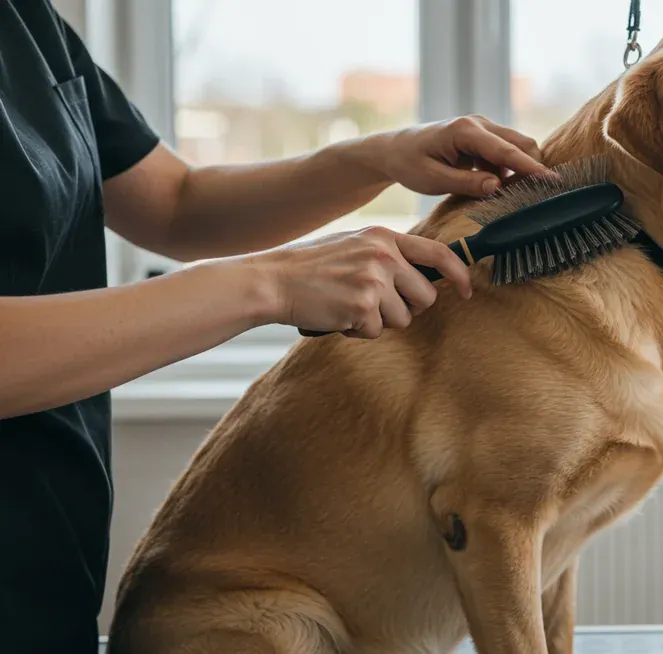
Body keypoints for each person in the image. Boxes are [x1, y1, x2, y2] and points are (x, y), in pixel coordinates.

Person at [0, 1, 552, 651]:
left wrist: (378, 157)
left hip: (50, 550)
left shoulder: (28, 20)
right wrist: (273, 283)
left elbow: (176, 205)